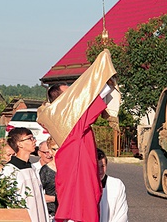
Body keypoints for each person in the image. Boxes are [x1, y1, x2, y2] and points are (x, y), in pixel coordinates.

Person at [38, 49, 121, 222]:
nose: (74, 96)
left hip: (78, 174)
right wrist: (104, 72)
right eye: (70, 93)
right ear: (61, 101)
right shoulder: (68, 120)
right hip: (79, 180)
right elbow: (91, 104)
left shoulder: (65, 118)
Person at [1, 127, 48, 222]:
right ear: (19, 144)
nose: (34, 141)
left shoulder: (32, 168)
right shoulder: (10, 170)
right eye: (30, 138)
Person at [97, 148, 128, 222]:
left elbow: (121, 215)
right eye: (97, 167)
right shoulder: (81, 187)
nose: (100, 170)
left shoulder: (116, 185)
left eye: (103, 166)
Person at [39, 137, 59, 219]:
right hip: (51, 213)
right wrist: (56, 199)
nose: (58, 152)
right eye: (55, 149)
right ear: (50, 151)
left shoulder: (70, 168)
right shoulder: (45, 170)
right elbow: (38, 194)